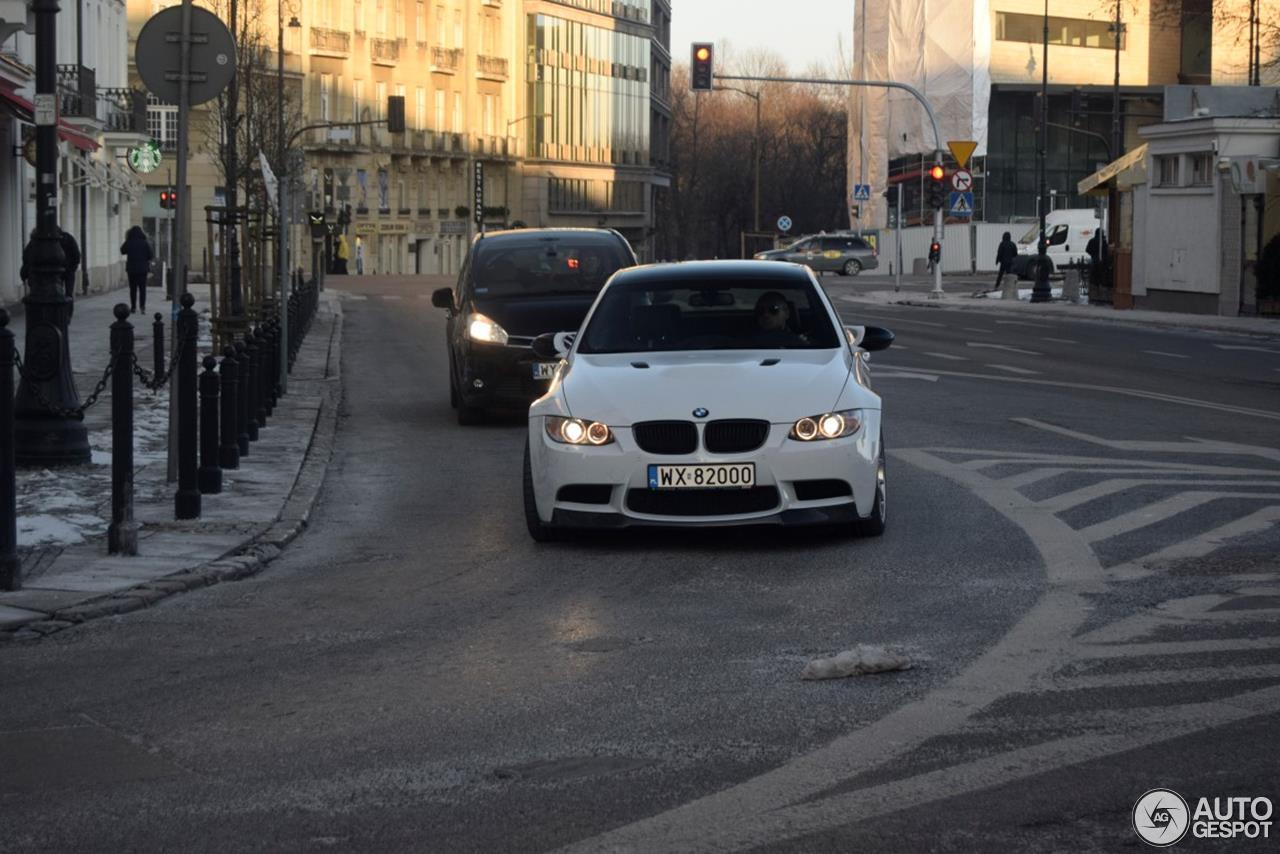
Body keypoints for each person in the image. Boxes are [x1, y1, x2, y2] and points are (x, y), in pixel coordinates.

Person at [120, 225, 153, 313]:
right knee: (142, 289)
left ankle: (133, 307)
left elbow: (122, 251)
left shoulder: (129, 242)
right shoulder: (145, 242)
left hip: (132, 269)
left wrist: (127, 240)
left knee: (133, 289)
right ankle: (142, 307)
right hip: (143, 269)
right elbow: (150, 255)